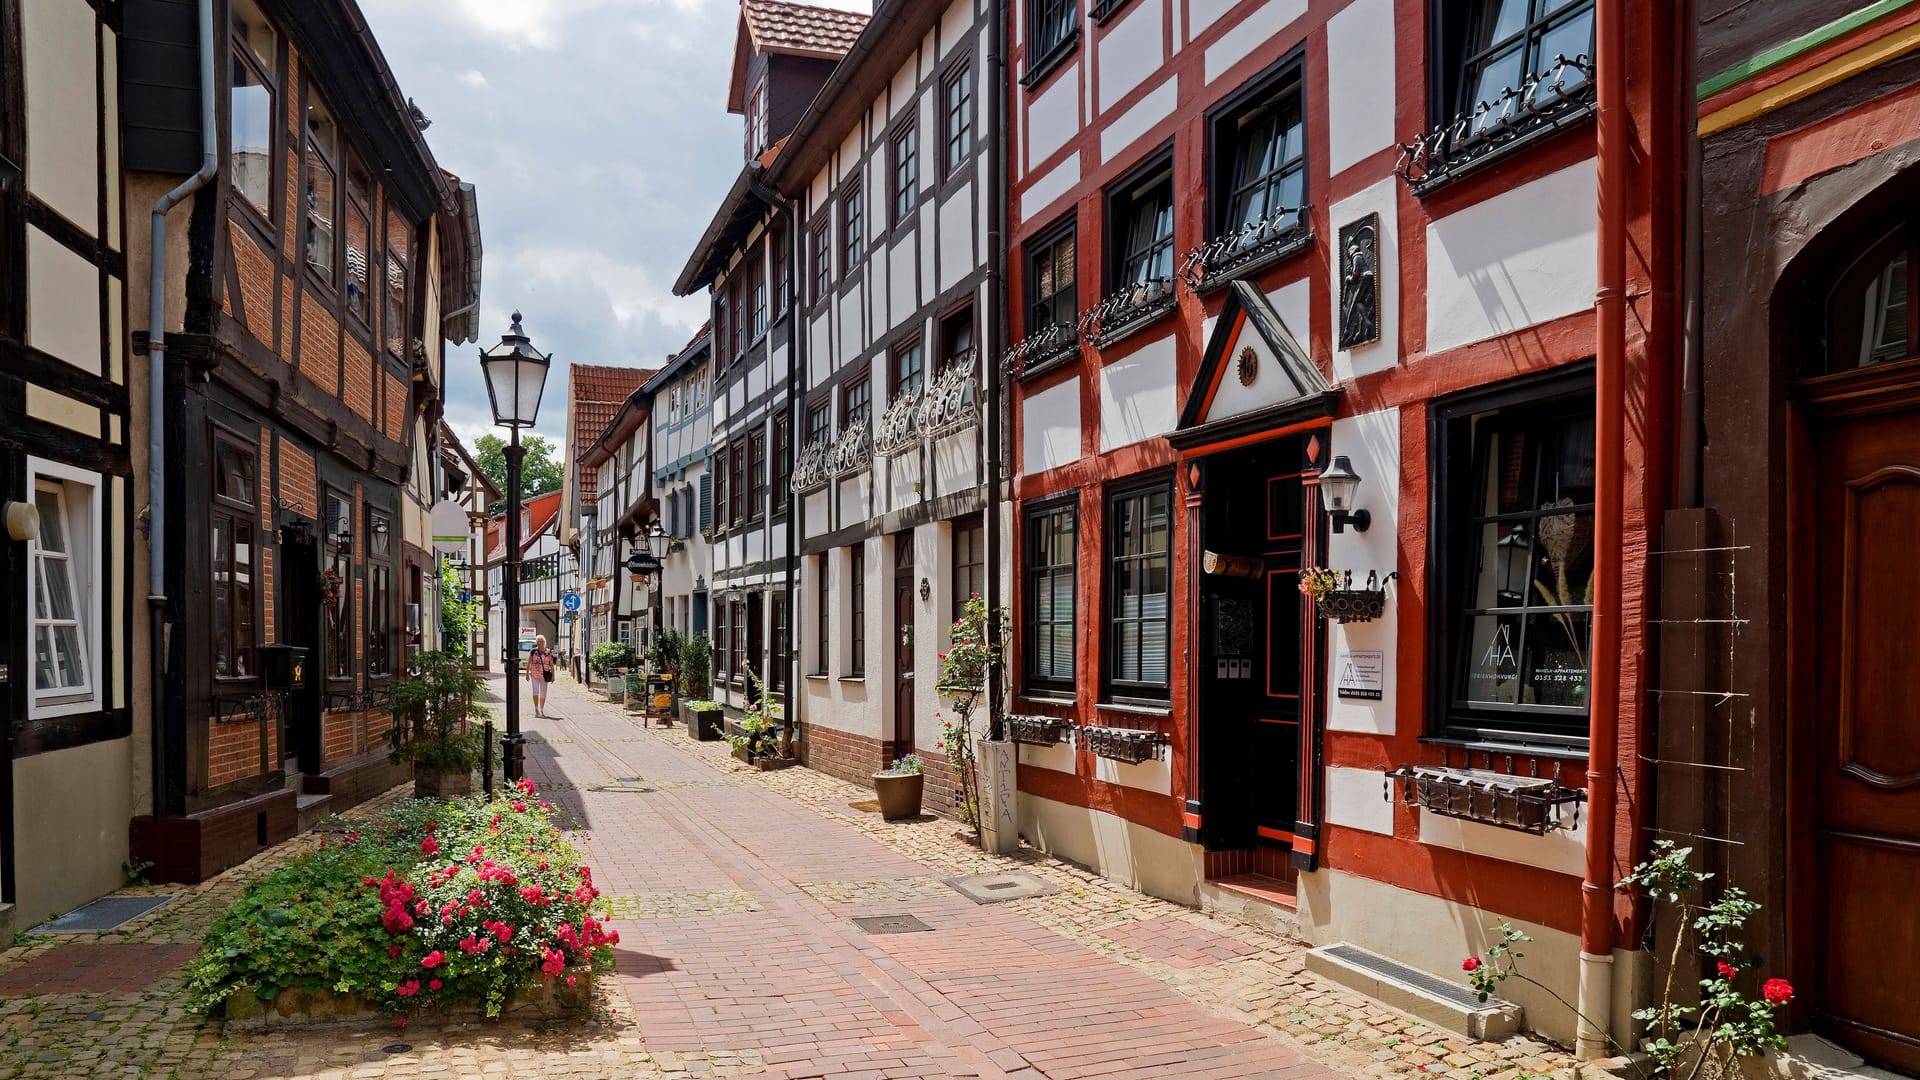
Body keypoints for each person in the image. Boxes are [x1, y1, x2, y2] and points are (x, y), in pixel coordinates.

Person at [528, 634, 556, 718]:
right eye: (538, 641)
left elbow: (551, 664)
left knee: (543, 693)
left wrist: (553, 676)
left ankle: (541, 709)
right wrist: (526, 673)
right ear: (536, 642)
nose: (539, 643)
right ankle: (536, 708)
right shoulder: (533, 651)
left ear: (544, 642)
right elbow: (529, 662)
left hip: (545, 675)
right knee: (535, 691)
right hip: (534, 675)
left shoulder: (548, 652)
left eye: (541, 641)